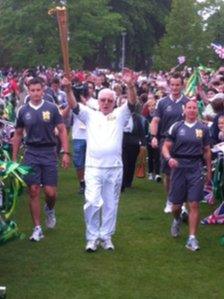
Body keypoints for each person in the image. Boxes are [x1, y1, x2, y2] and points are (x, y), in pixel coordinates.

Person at [62, 69, 137, 252]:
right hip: (93, 167)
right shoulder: (90, 114)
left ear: (114, 102)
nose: (105, 103)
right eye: (103, 100)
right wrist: (67, 90)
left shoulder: (120, 115)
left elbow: (133, 103)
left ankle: (106, 236)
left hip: (114, 168)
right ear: (98, 100)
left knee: (111, 204)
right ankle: (92, 237)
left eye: (109, 100)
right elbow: (74, 106)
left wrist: (130, 85)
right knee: (92, 202)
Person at [12, 77, 70, 242]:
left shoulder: (51, 108)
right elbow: (17, 135)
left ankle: (49, 209)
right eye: (33, 90)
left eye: (38, 90)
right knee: (34, 190)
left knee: (51, 193)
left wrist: (66, 152)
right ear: (28, 91)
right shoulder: (22, 111)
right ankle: (37, 228)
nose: (36, 93)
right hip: (31, 153)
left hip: (49, 153)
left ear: (42, 91)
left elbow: (62, 130)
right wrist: (15, 159)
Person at [162, 100, 211, 251]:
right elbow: (165, 146)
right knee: (176, 206)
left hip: (195, 168)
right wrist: (169, 158)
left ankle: (192, 239)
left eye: (194, 108)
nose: (191, 110)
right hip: (178, 167)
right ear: (185, 110)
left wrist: (209, 170)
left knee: (194, 203)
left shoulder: (203, 128)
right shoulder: (176, 127)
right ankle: (177, 219)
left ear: (198, 110)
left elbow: (207, 150)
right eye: (189, 107)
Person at [150, 72, 189, 213]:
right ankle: (170, 200)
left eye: (177, 84)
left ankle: (182, 203)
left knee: (183, 173)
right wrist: (153, 136)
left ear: (182, 85)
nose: (175, 87)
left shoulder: (188, 102)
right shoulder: (162, 102)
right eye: (172, 84)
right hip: (165, 142)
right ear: (169, 85)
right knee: (168, 174)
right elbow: (155, 120)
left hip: (184, 143)